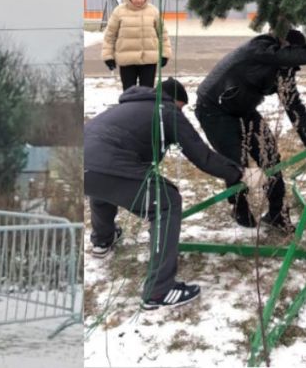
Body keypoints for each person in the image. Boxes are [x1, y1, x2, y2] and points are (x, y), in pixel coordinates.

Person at [84, 78, 242, 310]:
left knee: (104, 183)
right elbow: (203, 157)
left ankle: (102, 240)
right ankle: (160, 291)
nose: (181, 112)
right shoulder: (166, 111)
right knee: (166, 202)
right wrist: (240, 173)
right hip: (108, 163)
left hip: (83, 163)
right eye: (181, 107)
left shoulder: (126, 107)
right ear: (174, 101)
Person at [195, 30, 306, 231]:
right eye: (294, 55)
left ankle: (277, 213)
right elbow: (279, 56)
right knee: (236, 162)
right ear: (284, 47)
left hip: (244, 108)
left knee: (270, 156)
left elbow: (294, 106)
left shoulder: (285, 69)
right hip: (213, 109)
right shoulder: (260, 47)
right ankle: (239, 207)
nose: (293, 64)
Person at [101, 0, 172, 90]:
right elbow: (110, 35)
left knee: (147, 92)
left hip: (148, 60)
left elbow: (163, 34)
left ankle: (146, 107)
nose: (139, 0)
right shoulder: (119, 12)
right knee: (129, 92)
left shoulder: (153, 11)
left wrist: (165, 54)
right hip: (127, 60)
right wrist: (108, 56)